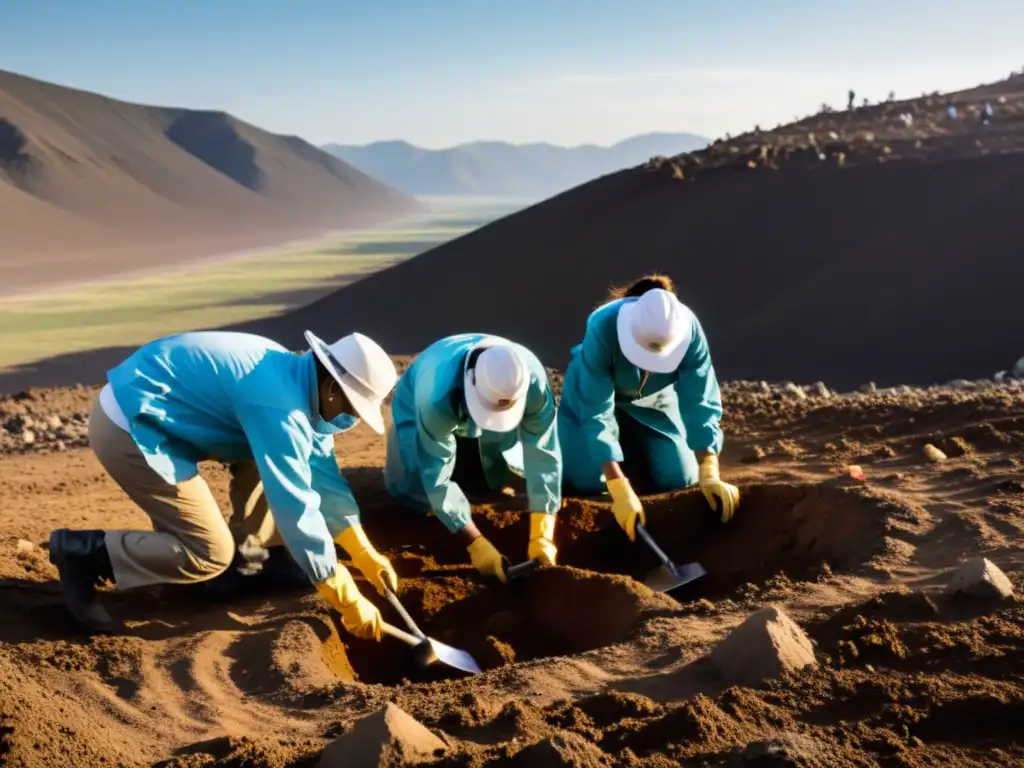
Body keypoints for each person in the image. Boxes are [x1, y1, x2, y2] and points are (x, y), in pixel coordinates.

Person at [48, 329, 399, 642]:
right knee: (207, 553)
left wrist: (362, 549)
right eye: (353, 408)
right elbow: (294, 500)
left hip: (162, 408)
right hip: (130, 424)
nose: (351, 419)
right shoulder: (279, 407)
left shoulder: (299, 383)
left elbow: (322, 476)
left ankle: (256, 558)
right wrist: (341, 591)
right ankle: (85, 552)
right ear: (334, 387)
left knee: (270, 464)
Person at [557, 275, 739, 542]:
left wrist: (709, 468)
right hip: (590, 394)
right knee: (585, 481)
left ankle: (630, 445)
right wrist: (618, 487)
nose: (651, 365)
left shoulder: (689, 330)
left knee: (679, 477)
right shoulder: (603, 326)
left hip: (653, 400)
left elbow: (699, 398)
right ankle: (579, 445)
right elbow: (596, 411)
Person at [383, 334, 561, 582]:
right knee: (414, 485)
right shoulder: (436, 396)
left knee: (485, 474)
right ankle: (431, 503)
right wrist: (475, 541)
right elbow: (436, 476)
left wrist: (542, 532)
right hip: (424, 387)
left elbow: (544, 453)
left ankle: (478, 469)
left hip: (481, 394)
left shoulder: (531, 381)